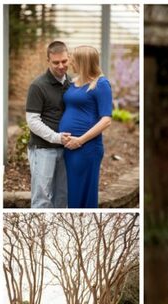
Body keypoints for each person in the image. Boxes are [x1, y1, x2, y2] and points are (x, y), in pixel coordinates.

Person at [60, 45, 113, 208]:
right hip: (68, 146)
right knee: (72, 191)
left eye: (73, 61)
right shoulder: (73, 82)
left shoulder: (101, 84)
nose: (70, 64)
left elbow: (106, 120)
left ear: (83, 63)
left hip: (86, 148)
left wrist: (80, 140)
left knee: (82, 193)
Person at [25, 41, 72, 208]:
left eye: (64, 61)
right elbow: (32, 121)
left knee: (62, 199)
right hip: (43, 149)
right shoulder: (37, 86)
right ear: (48, 60)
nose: (61, 66)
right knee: (42, 200)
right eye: (56, 62)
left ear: (69, 58)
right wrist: (56, 137)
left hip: (67, 150)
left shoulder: (72, 84)